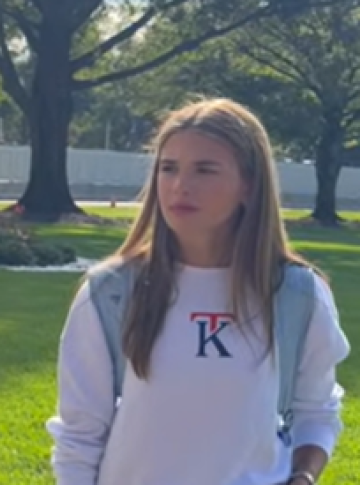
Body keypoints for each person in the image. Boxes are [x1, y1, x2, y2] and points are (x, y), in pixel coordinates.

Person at [46, 98, 350, 485]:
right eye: (168, 168)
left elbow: (317, 410)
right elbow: (79, 436)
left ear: (249, 185)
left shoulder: (296, 294)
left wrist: (304, 476)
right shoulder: (111, 292)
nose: (180, 186)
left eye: (205, 170)